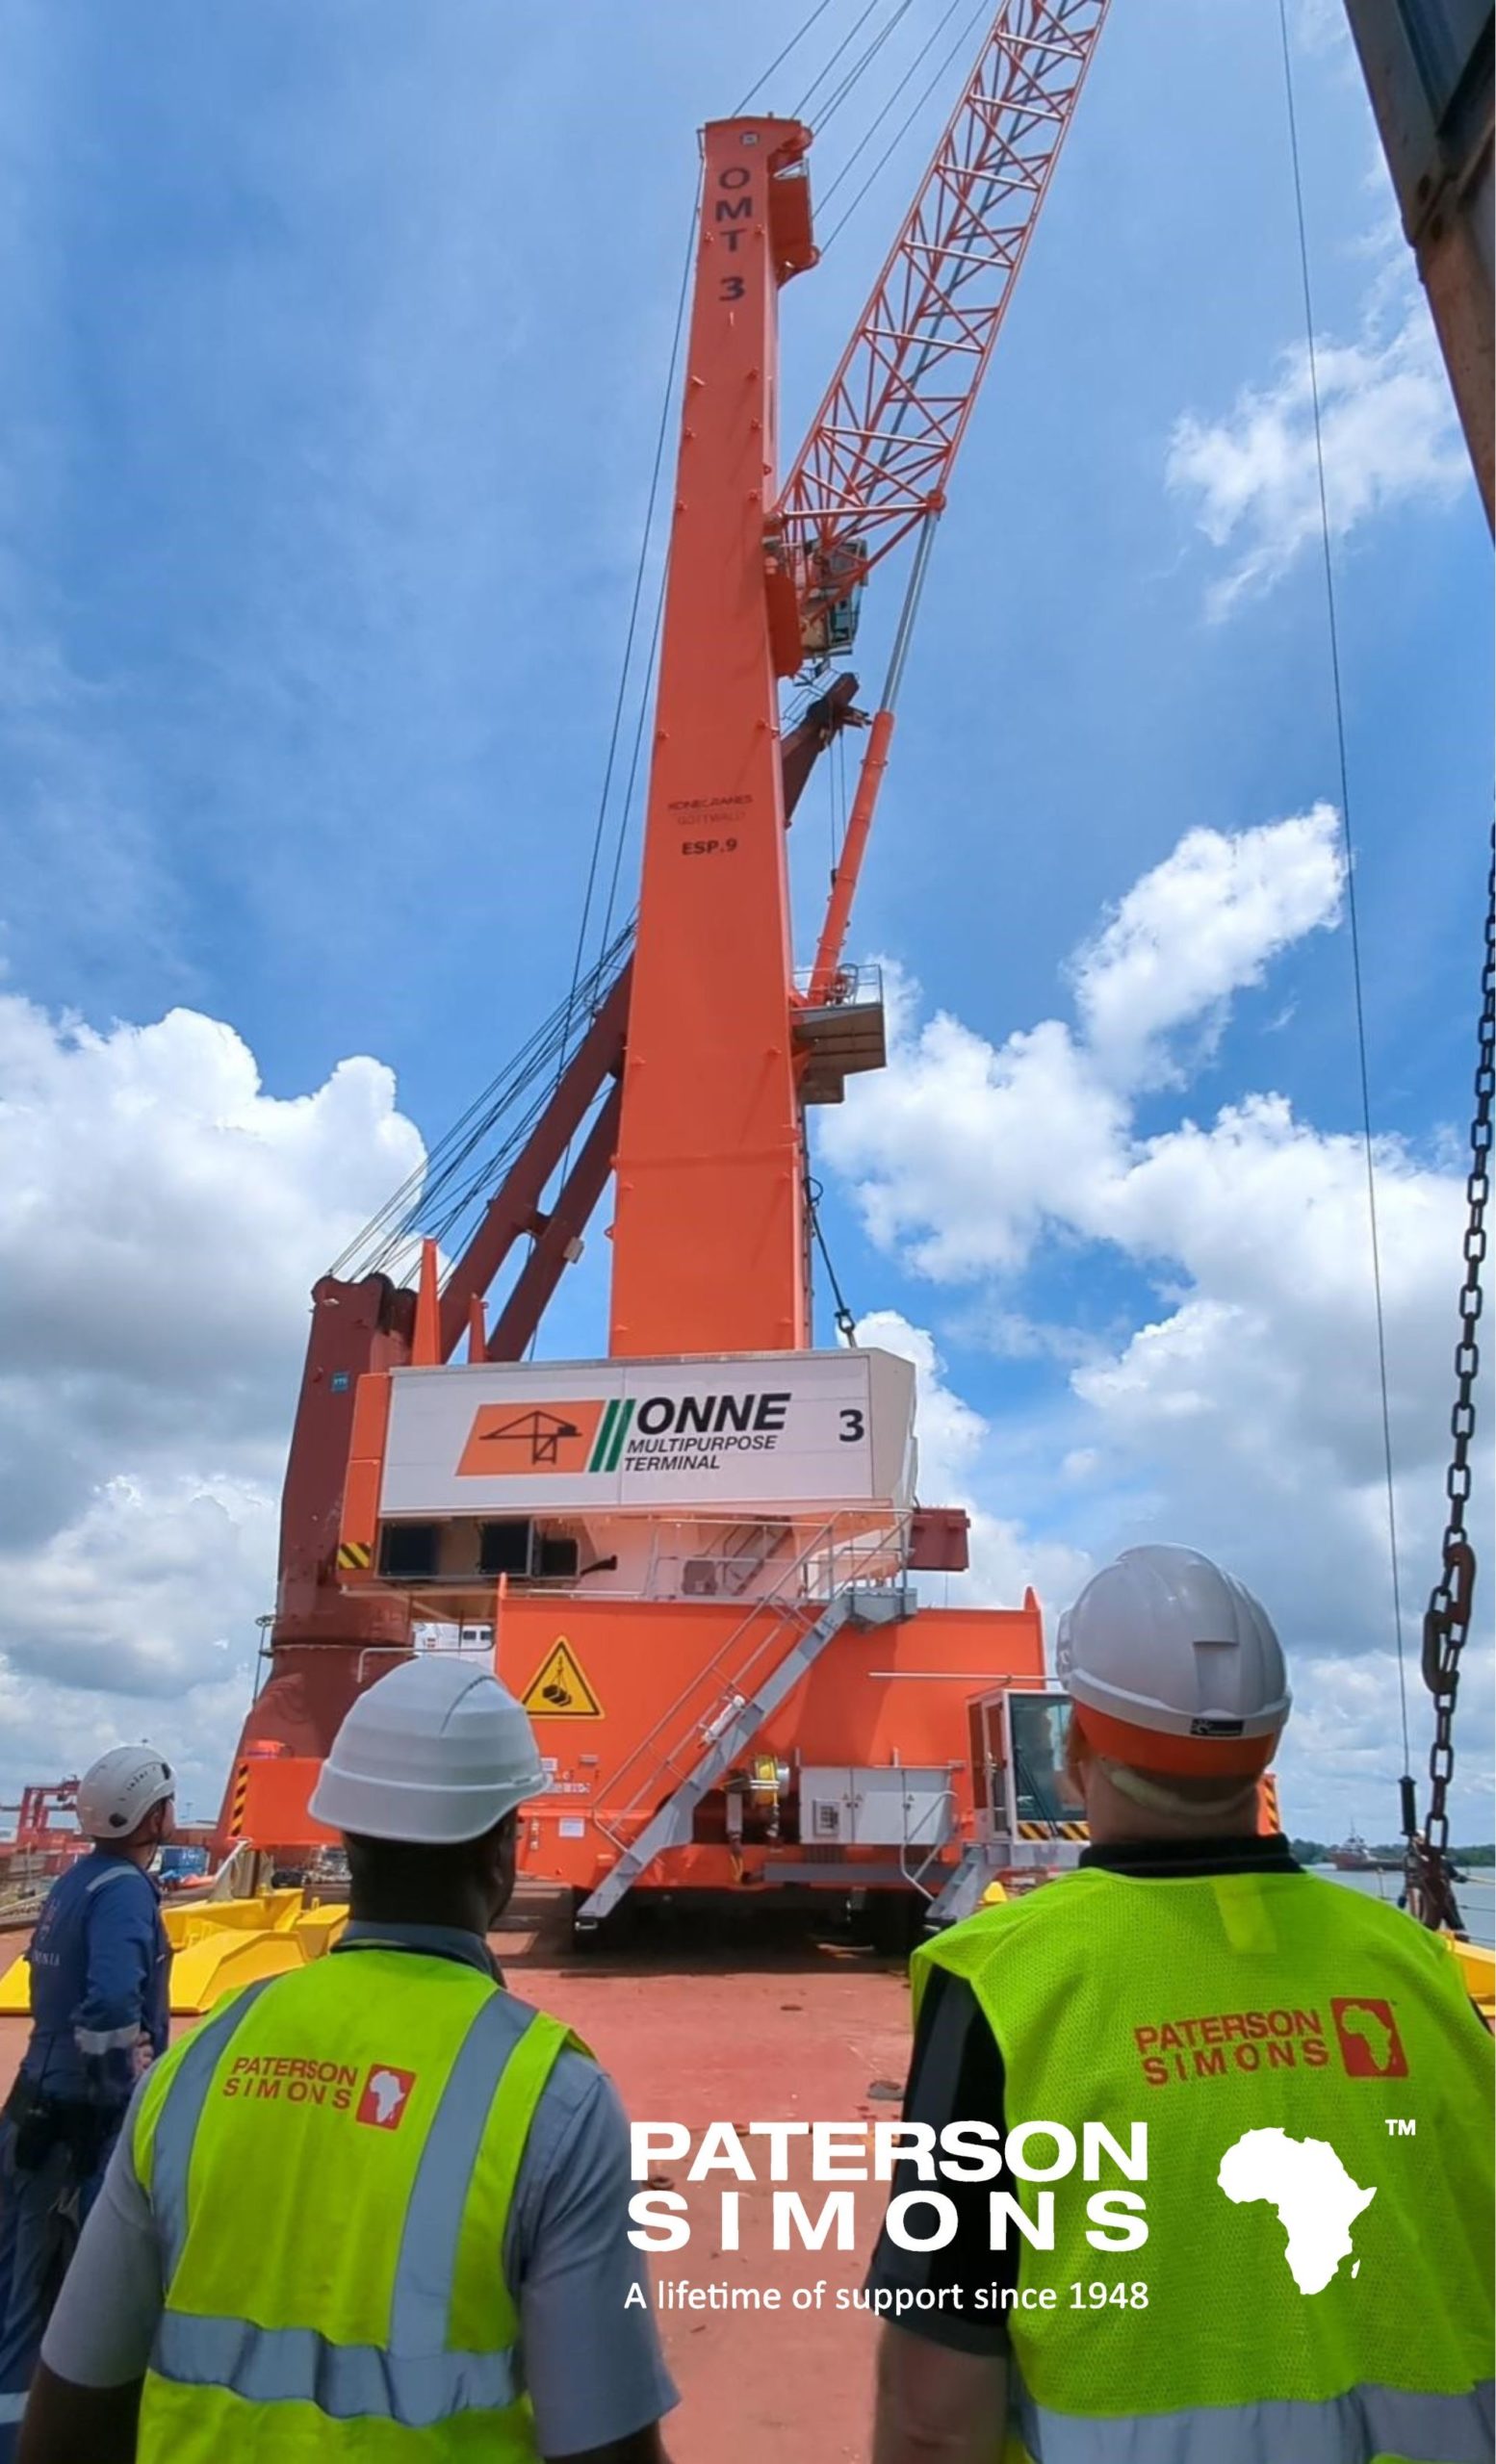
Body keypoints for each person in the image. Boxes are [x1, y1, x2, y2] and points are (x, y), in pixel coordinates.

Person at [867, 1544, 1494, 2464]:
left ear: (1078, 1746)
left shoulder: (1004, 1981)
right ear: (1269, 1749)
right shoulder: (1417, 1967)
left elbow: (936, 2410)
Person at [19, 1656, 677, 2464]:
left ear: (348, 1837)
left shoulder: (198, 2063)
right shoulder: (553, 2099)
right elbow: (606, 2448)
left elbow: (69, 2417)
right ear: (503, 1847)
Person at [0, 1747, 173, 2462]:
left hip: (31, 2108)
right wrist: (118, 2108)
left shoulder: (78, 1881)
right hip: (75, 2122)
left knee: (15, 2277)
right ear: (150, 1814)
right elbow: (108, 2005)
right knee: (46, 2301)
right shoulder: (126, 1891)